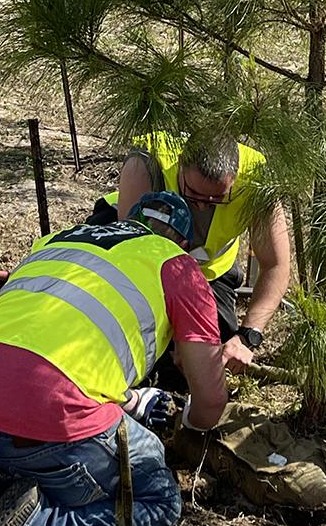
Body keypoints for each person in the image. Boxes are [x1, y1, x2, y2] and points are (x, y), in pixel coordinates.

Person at [0, 191, 226, 526]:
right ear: (184, 244)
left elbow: (61, 347)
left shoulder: (58, 240)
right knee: (157, 501)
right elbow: (210, 402)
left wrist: (131, 400)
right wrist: (188, 426)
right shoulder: (177, 267)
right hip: (51, 428)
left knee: (41, 440)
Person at [112, 131, 291, 370]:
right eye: (193, 195)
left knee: (206, 362)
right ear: (181, 167)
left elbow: (276, 265)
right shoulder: (147, 162)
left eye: (216, 198)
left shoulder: (257, 179)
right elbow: (129, 258)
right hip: (145, 265)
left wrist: (248, 336)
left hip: (211, 274)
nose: (202, 206)